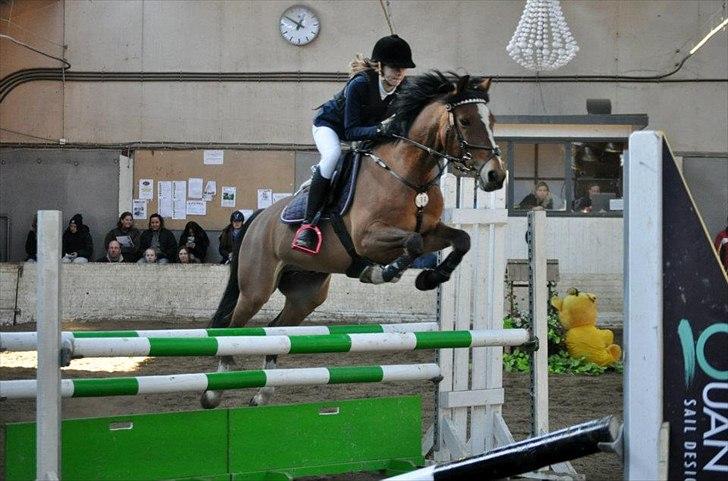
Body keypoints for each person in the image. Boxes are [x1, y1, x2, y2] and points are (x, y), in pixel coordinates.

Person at [292, 34, 416, 253]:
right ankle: (307, 226)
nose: (399, 73)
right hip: (331, 126)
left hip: (365, 132)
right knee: (332, 157)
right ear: (380, 66)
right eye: (394, 67)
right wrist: (382, 130)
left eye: (403, 68)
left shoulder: (403, 88)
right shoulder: (360, 84)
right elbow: (350, 131)